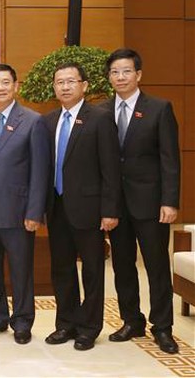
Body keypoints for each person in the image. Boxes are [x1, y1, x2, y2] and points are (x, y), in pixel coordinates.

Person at [103, 48, 180, 354]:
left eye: (126, 71)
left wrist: (170, 201)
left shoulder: (159, 109)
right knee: (122, 265)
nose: (120, 77)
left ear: (138, 74)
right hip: (115, 205)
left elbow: (170, 160)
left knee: (156, 265)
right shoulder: (101, 111)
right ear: (109, 77)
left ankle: (163, 327)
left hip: (151, 204)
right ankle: (132, 320)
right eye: (115, 72)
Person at [43, 61, 121, 351]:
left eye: (71, 81)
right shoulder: (48, 120)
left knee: (92, 270)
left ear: (84, 86)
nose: (65, 87)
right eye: (59, 82)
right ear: (54, 87)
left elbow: (110, 169)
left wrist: (110, 210)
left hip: (89, 209)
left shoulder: (100, 118)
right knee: (61, 269)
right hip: (56, 206)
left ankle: (89, 327)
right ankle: (66, 323)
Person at [0, 63, 50, 345]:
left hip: (18, 211)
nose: (0, 88)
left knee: (20, 270)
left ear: (16, 86)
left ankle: (22, 321)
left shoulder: (32, 120)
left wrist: (34, 211)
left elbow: (40, 171)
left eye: (6, 82)